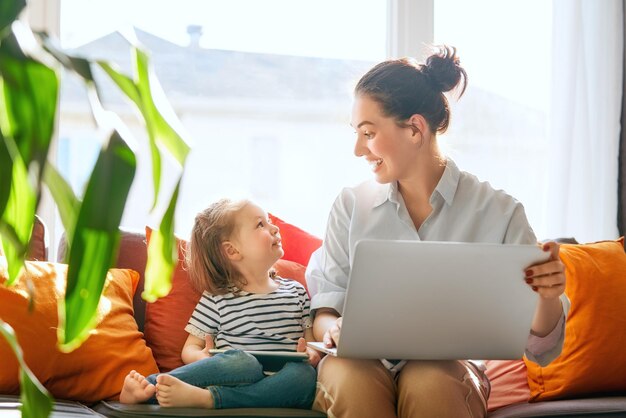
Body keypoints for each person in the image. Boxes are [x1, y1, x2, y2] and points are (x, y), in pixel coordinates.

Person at [305, 45, 568, 418]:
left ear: (415, 128)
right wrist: (334, 330)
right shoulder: (349, 206)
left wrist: (547, 295)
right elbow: (325, 312)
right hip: (358, 365)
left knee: (430, 377)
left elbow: (540, 346)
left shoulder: (499, 211)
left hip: (448, 373)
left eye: (368, 132)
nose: (357, 149)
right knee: (348, 374)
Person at [120, 198, 320, 409]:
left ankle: (209, 399)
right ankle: (148, 388)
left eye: (269, 221)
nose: (274, 228)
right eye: (261, 224)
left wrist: (312, 354)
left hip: (281, 382)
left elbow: (313, 344)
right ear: (232, 251)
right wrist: (203, 357)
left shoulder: (297, 290)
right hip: (237, 374)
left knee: (305, 375)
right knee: (244, 363)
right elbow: (189, 349)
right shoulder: (218, 297)